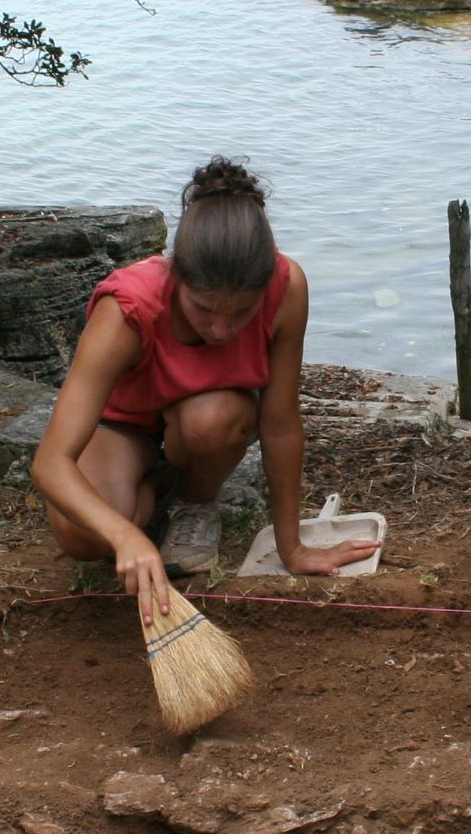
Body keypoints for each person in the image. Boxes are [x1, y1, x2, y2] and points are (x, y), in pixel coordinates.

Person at [33, 158, 377, 625]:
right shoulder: (127, 308)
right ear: (176, 278)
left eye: (240, 313)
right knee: (84, 538)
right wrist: (124, 536)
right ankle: (156, 485)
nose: (220, 329)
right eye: (203, 309)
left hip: (207, 416)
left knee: (211, 421)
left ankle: (194, 498)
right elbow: (51, 462)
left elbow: (279, 424)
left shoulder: (287, 287)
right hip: (126, 424)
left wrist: (292, 548)